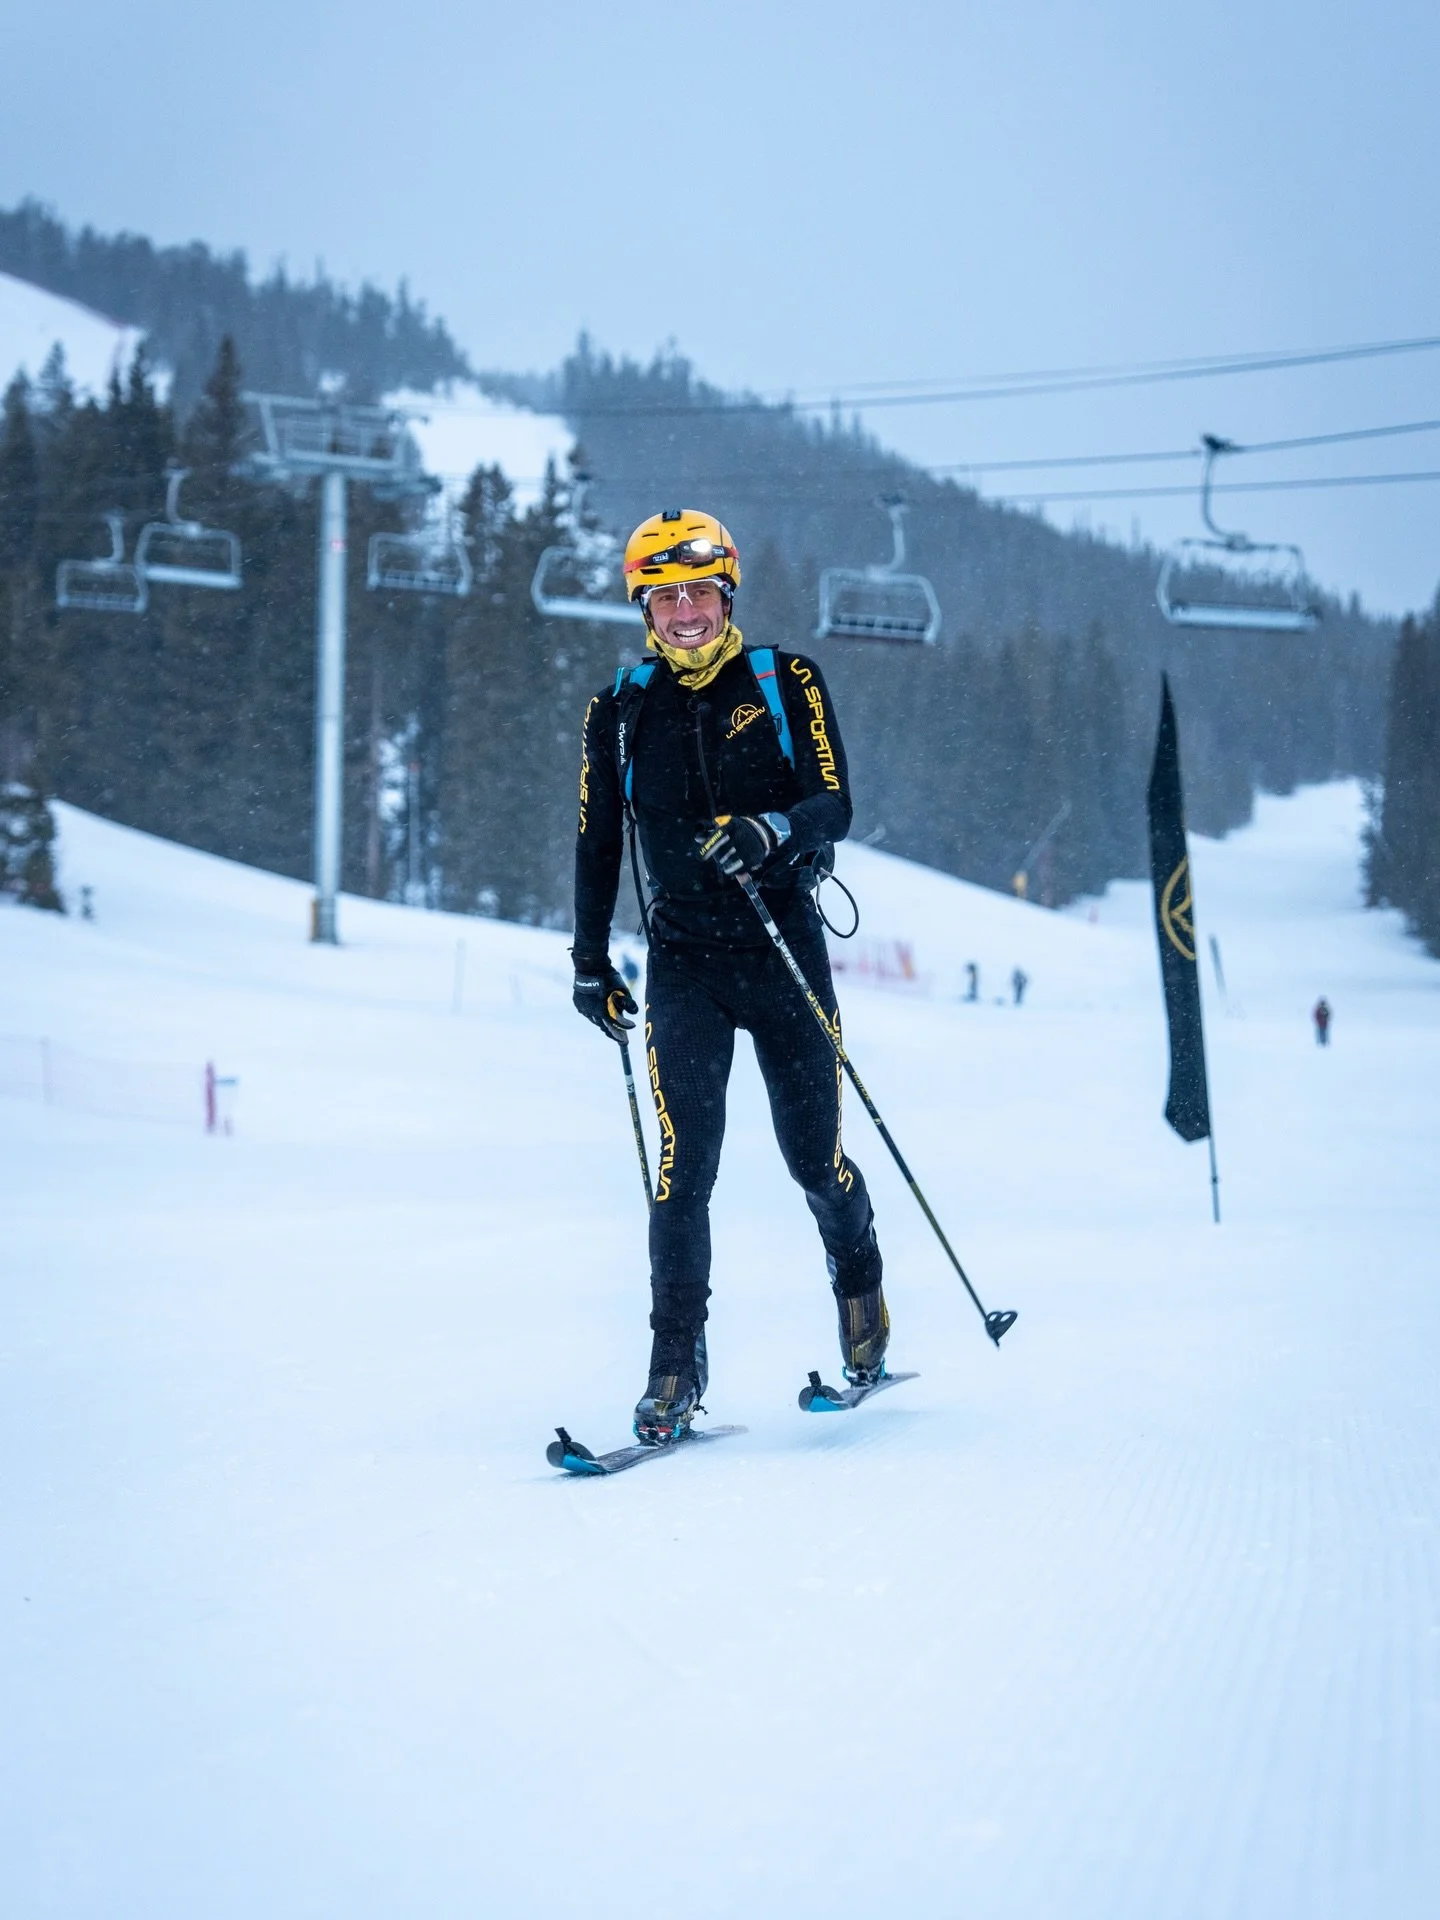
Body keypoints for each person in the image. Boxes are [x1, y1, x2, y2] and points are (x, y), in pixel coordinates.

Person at [570, 509, 888, 1444]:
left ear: (727, 594)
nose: (685, 614)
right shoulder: (618, 711)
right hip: (683, 965)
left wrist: (773, 829)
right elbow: (596, 842)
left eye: (699, 593)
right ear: (644, 608)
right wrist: (590, 963)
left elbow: (834, 801)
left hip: (783, 953)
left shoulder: (786, 682)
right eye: (664, 597)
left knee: (812, 1159)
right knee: (682, 1172)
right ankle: (676, 1365)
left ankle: (861, 1287)